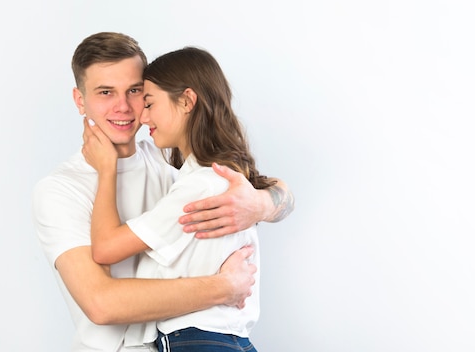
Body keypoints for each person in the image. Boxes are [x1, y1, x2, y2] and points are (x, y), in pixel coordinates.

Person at [32, 32, 294, 352]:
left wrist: (261, 204)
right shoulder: (60, 190)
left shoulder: (168, 154)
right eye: (105, 92)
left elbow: (273, 188)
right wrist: (224, 287)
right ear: (79, 100)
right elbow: (102, 304)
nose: (125, 107)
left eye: (135, 91)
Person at [81, 46, 272, 351]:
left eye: (149, 103)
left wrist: (107, 170)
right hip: (229, 340)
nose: (141, 117)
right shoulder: (223, 176)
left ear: (186, 101)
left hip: (197, 341)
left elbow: (105, 248)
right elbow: (275, 188)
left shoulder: (200, 186)